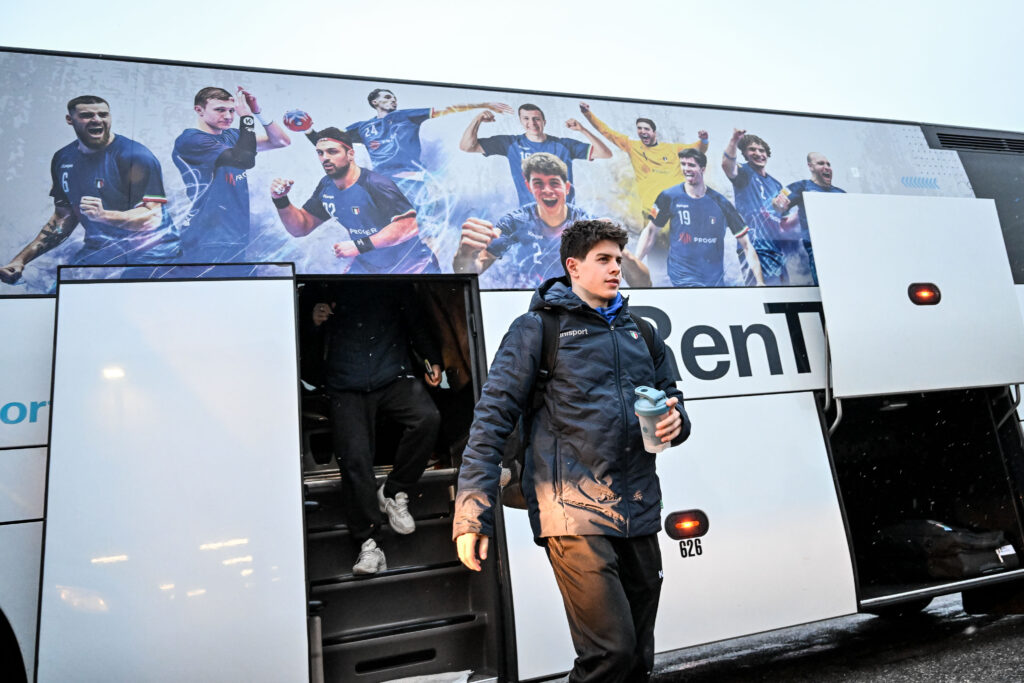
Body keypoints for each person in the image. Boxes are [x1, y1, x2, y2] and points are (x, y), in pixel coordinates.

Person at [454, 219, 691, 682]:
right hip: (571, 511)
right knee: (610, 654)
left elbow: (673, 402)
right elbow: (490, 422)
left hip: (639, 506)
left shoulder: (643, 332)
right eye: (603, 259)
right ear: (573, 266)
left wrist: (677, 421)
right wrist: (471, 516)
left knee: (637, 660)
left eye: (618, 259)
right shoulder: (537, 329)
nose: (615, 268)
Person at [306, 281, 442, 574]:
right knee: (355, 458)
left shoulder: (391, 276)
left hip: (392, 374)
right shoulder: (322, 283)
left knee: (427, 418)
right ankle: (369, 545)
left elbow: (415, 322)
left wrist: (432, 358)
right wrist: (314, 322)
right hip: (344, 384)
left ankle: (393, 492)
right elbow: (302, 346)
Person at [0, 95, 179, 284]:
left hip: (151, 251)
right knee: (65, 291)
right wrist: (21, 260)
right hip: (102, 247)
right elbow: (63, 218)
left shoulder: (135, 156)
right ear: (70, 119)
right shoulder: (63, 158)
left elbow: (153, 218)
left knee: (122, 295)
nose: (97, 120)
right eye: (87, 115)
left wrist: (104, 216)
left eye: (103, 114)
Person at [271, 128, 439, 274]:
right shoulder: (326, 186)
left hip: (412, 265)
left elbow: (409, 225)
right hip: (368, 267)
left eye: (332, 152)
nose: (325, 158)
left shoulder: (376, 184)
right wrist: (281, 200)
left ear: (350, 154)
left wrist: (359, 245)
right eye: (320, 153)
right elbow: (301, 227)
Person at [172, 86, 291, 263]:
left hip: (234, 234)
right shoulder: (191, 140)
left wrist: (258, 112)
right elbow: (244, 160)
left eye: (231, 110)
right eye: (220, 110)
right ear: (199, 110)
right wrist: (246, 117)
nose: (228, 116)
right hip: (208, 236)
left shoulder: (232, 136)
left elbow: (281, 141)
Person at [636, 148, 764, 287]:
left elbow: (746, 245)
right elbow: (650, 232)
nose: (686, 169)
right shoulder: (668, 196)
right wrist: (635, 262)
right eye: (683, 164)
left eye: (691, 165)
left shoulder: (721, 203)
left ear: (702, 169)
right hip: (680, 280)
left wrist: (760, 282)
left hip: (714, 283)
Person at [578, 101, 708, 223]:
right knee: (651, 237)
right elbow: (607, 132)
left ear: (654, 132)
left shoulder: (673, 149)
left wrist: (704, 140)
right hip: (651, 209)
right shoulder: (632, 146)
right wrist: (587, 114)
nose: (642, 131)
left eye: (646, 129)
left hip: (677, 207)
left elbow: (697, 150)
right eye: (639, 128)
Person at [460, 103, 612, 206]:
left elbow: (605, 153)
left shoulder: (564, 145)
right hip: (531, 222)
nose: (532, 123)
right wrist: (477, 120)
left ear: (544, 122)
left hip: (565, 219)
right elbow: (466, 146)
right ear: (521, 121)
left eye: (536, 119)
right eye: (526, 118)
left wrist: (582, 130)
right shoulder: (511, 144)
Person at [721, 129, 798, 285]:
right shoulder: (744, 172)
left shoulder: (776, 184)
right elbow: (726, 165)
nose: (758, 153)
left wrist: (798, 213)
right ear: (744, 153)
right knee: (764, 296)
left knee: (784, 295)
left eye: (761, 150)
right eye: (752, 149)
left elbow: (785, 224)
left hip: (777, 252)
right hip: (755, 249)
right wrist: (734, 140)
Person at [774, 152, 846, 283]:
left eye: (828, 164)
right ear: (810, 167)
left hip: (842, 247)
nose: (826, 167)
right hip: (818, 249)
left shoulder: (841, 193)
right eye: (821, 163)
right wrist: (779, 204)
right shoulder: (801, 186)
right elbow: (778, 202)